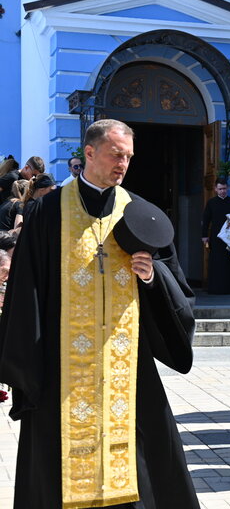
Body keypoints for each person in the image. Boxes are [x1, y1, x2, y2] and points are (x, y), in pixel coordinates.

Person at [0, 118, 199, 508]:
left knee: (143, 465)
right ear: (89, 153)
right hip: (61, 367)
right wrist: (24, 369)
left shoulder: (142, 214)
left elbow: (179, 292)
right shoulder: (47, 213)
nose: (122, 164)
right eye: (115, 154)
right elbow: (26, 291)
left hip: (128, 366)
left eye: (128, 156)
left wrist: (151, 277)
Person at [201, 178, 230, 294]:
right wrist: (204, 236)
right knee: (217, 262)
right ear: (215, 189)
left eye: (224, 188)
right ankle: (216, 288)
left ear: (227, 188)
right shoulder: (211, 203)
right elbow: (206, 220)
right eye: (220, 189)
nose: (222, 191)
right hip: (216, 237)